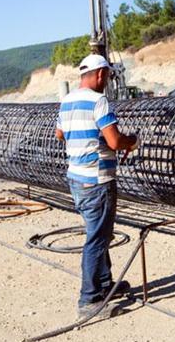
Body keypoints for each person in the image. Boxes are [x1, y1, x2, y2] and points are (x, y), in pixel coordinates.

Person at [55, 54, 140, 318]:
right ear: (101, 74)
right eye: (109, 76)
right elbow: (115, 141)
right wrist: (132, 141)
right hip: (97, 180)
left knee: (97, 233)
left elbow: (60, 134)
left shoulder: (67, 101)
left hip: (76, 178)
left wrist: (87, 140)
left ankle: (104, 285)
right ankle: (89, 300)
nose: (109, 81)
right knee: (96, 239)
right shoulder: (99, 101)